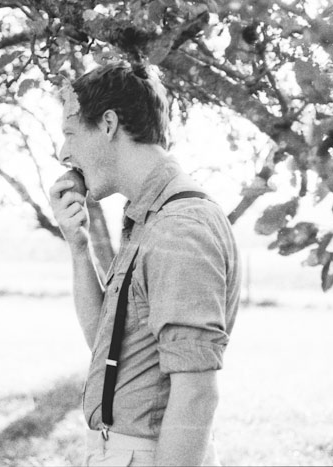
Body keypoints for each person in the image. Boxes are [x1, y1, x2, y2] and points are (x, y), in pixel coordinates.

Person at [49, 62, 240, 466]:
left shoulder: (178, 228)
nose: (64, 153)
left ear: (107, 124)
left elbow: (197, 392)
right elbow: (105, 342)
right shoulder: (149, 217)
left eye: (69, 134)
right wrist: (78, 246)